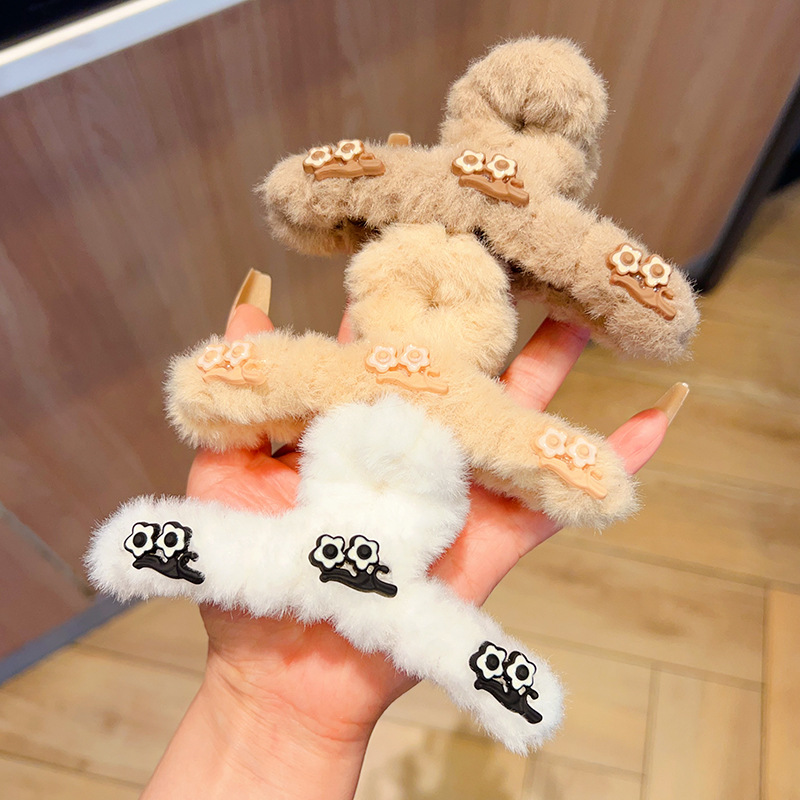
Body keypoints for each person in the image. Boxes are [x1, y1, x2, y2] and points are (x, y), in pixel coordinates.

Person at [141, 302, 683, 799]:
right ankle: (487, 668)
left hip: (335, 546)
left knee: (264, 561)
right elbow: (520, 443)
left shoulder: (362, 383)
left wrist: (229, 376)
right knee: (425, 626)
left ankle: (170, 544)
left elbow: (276, 377)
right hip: (368, 558)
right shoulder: (389, 389)